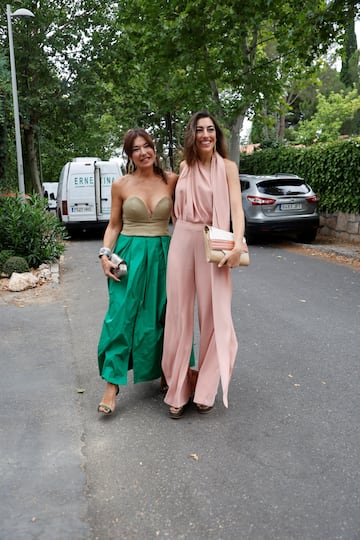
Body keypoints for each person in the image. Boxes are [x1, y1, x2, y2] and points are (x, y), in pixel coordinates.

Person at [161, 110, 246, 418]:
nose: (206, 135)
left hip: (214, 242)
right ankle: (179, 387)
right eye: (200, 130)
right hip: (182, 239)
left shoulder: (228, 168)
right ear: (192, 135)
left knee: (214, 315)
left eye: (211, 129)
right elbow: (169, 207)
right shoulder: (183, 168)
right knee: (179, 315)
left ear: (217, 135)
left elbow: (236, 209)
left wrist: (237, 244)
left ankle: (206, 388)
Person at [97, 129, 177, 415]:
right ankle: (112, 384)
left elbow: (183, 219)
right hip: (128, 255)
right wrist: (104, 255)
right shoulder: (120, 185)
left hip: (164, 254)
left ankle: (168, 372)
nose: (143, 152)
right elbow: (114, 225)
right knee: (120, 317)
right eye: (136, 149)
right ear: (129, 155)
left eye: (147, 146)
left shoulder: (172, 181)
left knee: (164, 315)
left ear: (154, 149)